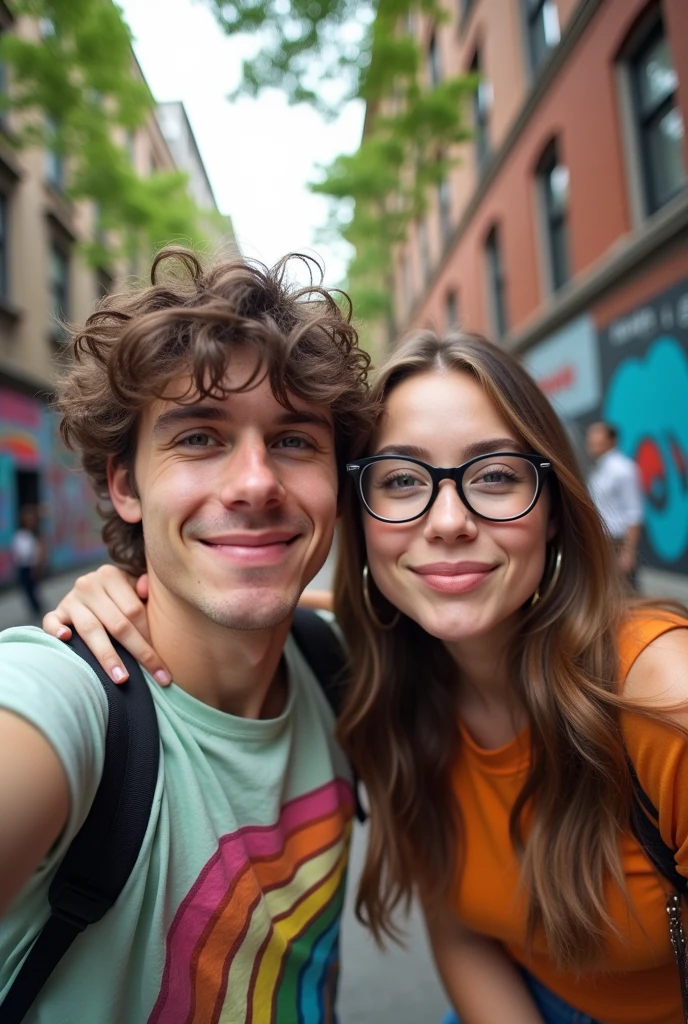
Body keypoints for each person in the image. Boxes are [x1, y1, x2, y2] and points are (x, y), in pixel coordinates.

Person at [44, 333, 688, 1024]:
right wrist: (127, 582)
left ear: (553, 506)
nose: (447, 522)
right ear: (362, 516)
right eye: (403, 481)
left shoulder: (656, 693)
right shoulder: (383, 683)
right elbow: (462, 929)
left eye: (496, 475)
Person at [0, 246, 373, 1022]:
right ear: (125, 484)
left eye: (296, 439)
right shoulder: (61, 703)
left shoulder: (341, 659)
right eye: (199, 438)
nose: (255, 483)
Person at [586, 421, 644, 588]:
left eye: (596, 434)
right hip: (602, 543)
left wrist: (628, 552)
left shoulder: (623, 469)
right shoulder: (598, 469)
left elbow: (634, 512)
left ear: (611, 439)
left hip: (618, 544)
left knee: (627, 598)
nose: (590, 439)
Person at [11, 505, 45, 618]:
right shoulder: (20, 534)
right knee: (27, 589)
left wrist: (37, 565)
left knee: (33, 588)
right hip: (22, 566)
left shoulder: (34, 534)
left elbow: (39, 551)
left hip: (31, 565)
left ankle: (38, 608)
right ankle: (36, 609)